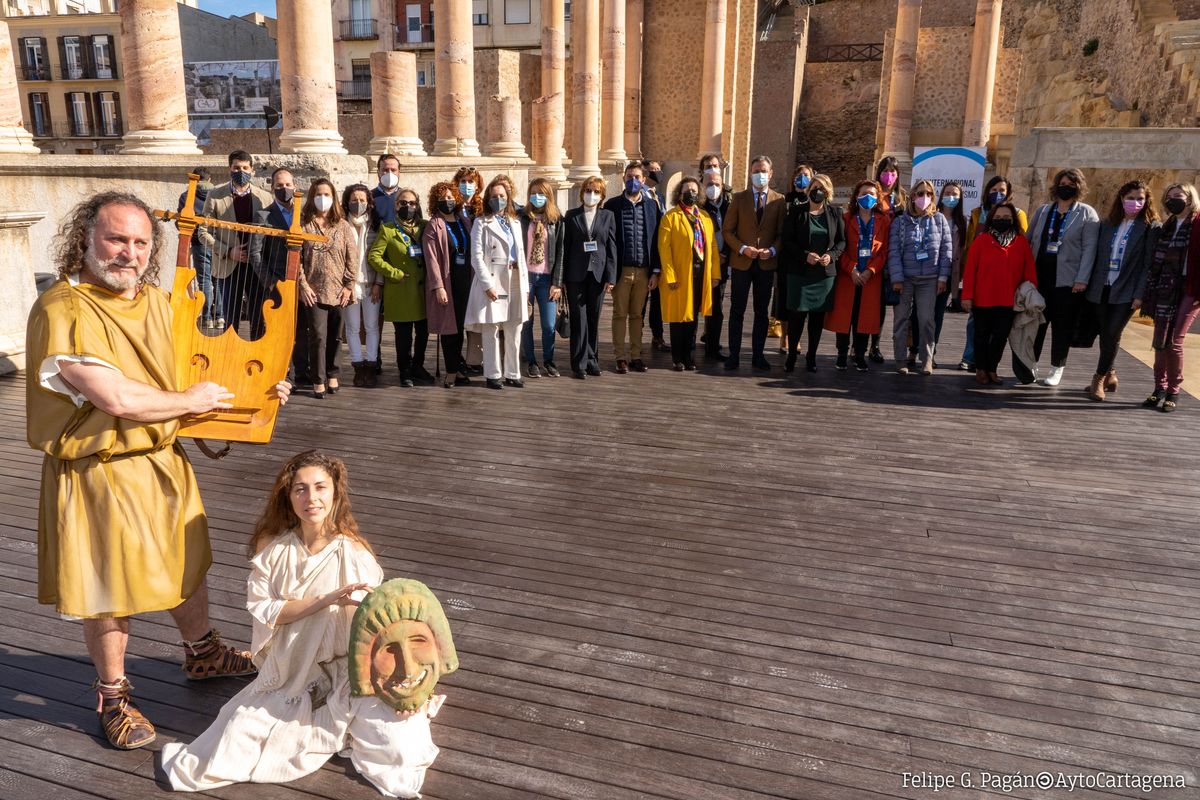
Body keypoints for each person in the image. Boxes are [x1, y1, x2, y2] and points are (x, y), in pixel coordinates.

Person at [26, 192, 289, 751]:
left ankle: (203, 652)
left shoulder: (156, 302)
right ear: (85, 239)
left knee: (183, 564)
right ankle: (113, 694)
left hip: (160, 460)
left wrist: (258, 396)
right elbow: (116, 397)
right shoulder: (62, 309)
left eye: (141, 242)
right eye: (116, 239)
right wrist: (192, 399)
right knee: (107, 588)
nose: (129, 253)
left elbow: (193, 373)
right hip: (97, 470)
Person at [162, 451, 453, 798]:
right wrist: (327, 600)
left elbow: (379, 629)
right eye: (300, 489)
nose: (310, 498)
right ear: (288, 495)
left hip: (351, 674)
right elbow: (267, 610)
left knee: (400, 750)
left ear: (335, 492)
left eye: (319, 487)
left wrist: (402, 680)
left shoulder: (355, 552)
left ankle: (355, 720)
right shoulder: (274, 549)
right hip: (292, 674)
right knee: (234, 738)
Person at [1076, 179, 1160, 401]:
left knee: (1112, 332)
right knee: (1107, 334)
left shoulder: (1150, 228)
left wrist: (1139, 294)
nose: (1135, 202)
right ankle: (1111, 373)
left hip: (1127, 290)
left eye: (1140, 198)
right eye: (1131, 198)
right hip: (1101, 287)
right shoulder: (1108, 224)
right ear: (1122, 199)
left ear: (1147, 201)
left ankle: (1099, 378)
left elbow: (1147, 264)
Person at [1018, 168, 1100, 386]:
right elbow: (1028, 241)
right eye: (1062, 183)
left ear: (1078, 187)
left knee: (1062, 327)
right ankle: (1031, 363)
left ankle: (1056, 367)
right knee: (1037, 324)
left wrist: (1082, 279)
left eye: (1071, 184)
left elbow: (1090, 249)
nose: (1066, 187)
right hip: (1041, 279)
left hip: (1068, 282)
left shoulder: (1086, 213)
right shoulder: (1044, 211)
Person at [464, 175, 531, 389]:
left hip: (515, 278)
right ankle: (492, 374)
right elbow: (476, 256)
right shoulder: (481, 222)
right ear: (488, 198)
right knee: (491, 329)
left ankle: (513, 372)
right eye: (494, 196)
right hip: (493, 279)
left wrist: (526, 286)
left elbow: (521, 255)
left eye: (502, 195)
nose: (498, 199)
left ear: (508, 197)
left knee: (514, 328)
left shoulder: (515, 222)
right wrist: (487, 284)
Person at [198, 150, 273, 337]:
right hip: (228, 265)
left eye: (245, 168)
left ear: (252, 170)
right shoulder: (215, 196)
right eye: (237, 168)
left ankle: (256, 354)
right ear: (229, 169)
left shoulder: (264, 198)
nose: (241, 171)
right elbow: (203, 232)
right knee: (231, 317)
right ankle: (229, 356)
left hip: (257, 267)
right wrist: (228, 251)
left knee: (258, 316)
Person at [961, 202, 1037, 385]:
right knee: (981, 335)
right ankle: (980, 368)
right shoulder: (981, 240)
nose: (1002, 221)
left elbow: (1029, 271)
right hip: (983, 299)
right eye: (997, 218)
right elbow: (970, 270)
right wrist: (966, 296)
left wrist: (1030, 294)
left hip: (1009, 300)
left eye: (1006, 218)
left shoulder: (1021, 242)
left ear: (1013, 220)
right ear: (991, 220)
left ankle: (992, 368)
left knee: (1000, 337)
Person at [723, 155, 786, 371]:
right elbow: (728, 231)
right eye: (755, 171)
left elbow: (781, 233)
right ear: (751, 173)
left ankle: (758, 355)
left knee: (761, 311)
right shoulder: (739, 199)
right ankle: (734, 354)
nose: (759, 174)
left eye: (763, 171)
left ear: (770, 173)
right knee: (737, 310)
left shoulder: (779, 200)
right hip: (742, 262)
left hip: (766, 264)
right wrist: (743, 248)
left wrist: (773, 250)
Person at [1142, 182, 1200, 413]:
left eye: (1179, 195)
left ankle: (1174, 390)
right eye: (1169, 195)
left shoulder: (1197, 224)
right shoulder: (1166, 226)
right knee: (1160, 341)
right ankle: (1159, 387)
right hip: (1165, 289)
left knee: (1175, 340)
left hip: (1190, 289)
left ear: (1190, 197)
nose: (1173, 199)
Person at [779, 173, 846, 373]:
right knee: (797, 314)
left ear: (828, 193)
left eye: (822, 189)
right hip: (800, 272)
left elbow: (842, 241)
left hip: (823, 274)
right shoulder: (797, 211)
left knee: (817, 318)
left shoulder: (835, 214)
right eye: (815, 187)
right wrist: (804, 255)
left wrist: (831, 256)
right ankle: (791, 355)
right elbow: (787, 241)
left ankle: (811, 356)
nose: (818, 191)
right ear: (809, 190)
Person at [298, 178, 357, 399]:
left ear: (334, 198)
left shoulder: (342, 226)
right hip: (314, 290)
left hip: (339, 290)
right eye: (319, 194)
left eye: (327, 195)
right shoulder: (303, 224)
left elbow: (352, 256)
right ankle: (318, 378)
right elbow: (297, 259)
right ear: (313, 197)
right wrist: (303, 285)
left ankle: (333, 373)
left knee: (335, 336)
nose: (323, 199)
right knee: (318, 336)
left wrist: (349, 285)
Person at [888, 179, 954, 375]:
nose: (924, 197)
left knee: (926, 320)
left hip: (930, 279)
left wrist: (943, 277)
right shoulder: (900, 222)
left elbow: (946, 251)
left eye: (928, 194)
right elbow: (893, 252)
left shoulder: (939, 219)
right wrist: (897, 278)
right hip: (905, 279)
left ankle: (926, 359)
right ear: (912, 196)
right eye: (920, 193)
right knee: (900, 319)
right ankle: (900, 360)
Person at [369, 188, 431, 388]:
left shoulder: (424, 226)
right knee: (403, 335)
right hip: (401, 289)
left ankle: (418, 366)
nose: (408, 207)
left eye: (412, 203)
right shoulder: (388, 229)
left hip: (421, 289)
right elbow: (374, 256)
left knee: (423, 332)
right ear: (396, 205)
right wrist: (393, 273)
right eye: (403, 203)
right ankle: (404, 370)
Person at [657, 176, 720, 370]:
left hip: (701, 272)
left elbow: (712, 246)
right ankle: (678, 357)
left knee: (693, 316)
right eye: (687, 191)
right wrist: (670, 275)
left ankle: (688, 356)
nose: (691, 194)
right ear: (680, 194)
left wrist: (715, 274)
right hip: (680, 273)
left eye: (694, 190)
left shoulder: (705, 217)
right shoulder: (671, 216)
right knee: (679, 317)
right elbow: (664, 248)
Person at [604, 161, 662, 373]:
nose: (633, 181)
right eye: (629, 177)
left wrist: (656, 271)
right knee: (620, 314)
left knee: (637, 315)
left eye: (637, 177)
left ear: (644, 180)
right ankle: (620, 357)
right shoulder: (612, 206)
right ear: (623, 179)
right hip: (621, 271)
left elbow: (655, 240)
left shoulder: (651, 206)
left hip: (644, 271)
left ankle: (636, 355)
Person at [826, 179, 889, 371]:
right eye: (863, 194)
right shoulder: (845, 219)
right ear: (856, 196)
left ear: (877, 197)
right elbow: (840, 247)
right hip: (848, 276)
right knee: (846, 316)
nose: (867, 197)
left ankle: (860, 354)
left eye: (871, 194)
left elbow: (884, 251)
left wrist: (870, 271)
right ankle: (842, 354)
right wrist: (852, 269)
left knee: (865, 318)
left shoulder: (884, 221)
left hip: (871, 277)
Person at [562, 176, 618, 379]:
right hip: (575, 275)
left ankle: (593, 360)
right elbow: (565, 248)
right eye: (588, 190)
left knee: (594, 318)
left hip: (598, 274)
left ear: (601, 196)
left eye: (596, 192)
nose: (591, 195)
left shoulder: (608, 216)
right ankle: (579, 363)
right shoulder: (571, 215)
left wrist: (611, 277)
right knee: (579, 319)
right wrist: (562, 278)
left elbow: (611, 247)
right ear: (582, 192)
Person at [423, 181, 473, 387]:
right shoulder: (434, 225)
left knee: (460, 327)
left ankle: (459, 368)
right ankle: (451, 371)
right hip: (447, 283)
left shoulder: (464, 221)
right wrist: (438, 286)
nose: (447, 201)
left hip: (466, 281)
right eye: (443, 198)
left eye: (451, 198)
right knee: (448, 329)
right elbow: (431, 258)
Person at [250, 168, 299, 375]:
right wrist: (269, 281)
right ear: (272, 188)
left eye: (288, 185)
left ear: (294, 186)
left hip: (301, 281)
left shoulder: (302, 214)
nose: (284, 189)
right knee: (276, 329)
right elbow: (255, 252)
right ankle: (279, 370)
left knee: (301, 329)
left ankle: (301, 370)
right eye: (279, 186)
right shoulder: (263, 214)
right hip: (275, 282)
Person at [520, 178, 566, 377]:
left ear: (548, 196)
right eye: (533, 192)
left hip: (547, 279)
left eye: (541, 193)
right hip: (526, 278)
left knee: (548, 325)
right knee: (526, 323)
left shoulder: (556, 220)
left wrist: (557, 282)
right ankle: (531, 362)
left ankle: (549, 360)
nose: (537, 197)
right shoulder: (522, 217)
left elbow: (561, 251)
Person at [773, 163, 817, 355]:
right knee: (784, 298)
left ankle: (796, 336)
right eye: (798, 175)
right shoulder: (785, 200)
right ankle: (785, 336)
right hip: (786, 256)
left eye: (806, 175)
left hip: (805, 257)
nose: (802, 179)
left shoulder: (813, 200)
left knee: (800, 300)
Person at [342, 184, 382, 388]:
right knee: (352, 327)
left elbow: (381, 255)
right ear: (347, 201)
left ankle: (372, 365)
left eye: (362, 200)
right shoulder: (340, 225)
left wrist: (378, 283)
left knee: (372, 326)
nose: (358, 204)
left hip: (371, 283)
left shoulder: (376, 225)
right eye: (354, 200)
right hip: (349, 284)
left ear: (369, 202)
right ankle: (358, 366)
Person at [868, 156, 908, 363]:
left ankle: (878, 345)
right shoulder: (872, 194)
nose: (889, 175)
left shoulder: (902, 198)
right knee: (871, 303)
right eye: (886, 170)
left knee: (887, 303)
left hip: (895, 258)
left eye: (893, 171)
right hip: (874, 254)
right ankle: (864, 345)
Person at [176, 168, 221, 330]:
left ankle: (207, 317)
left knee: (204, 280)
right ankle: (220, 316)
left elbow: (181, 221)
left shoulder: (186, 196)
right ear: (210, 178)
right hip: (218, 241)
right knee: (218, 278)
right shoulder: (218, 194)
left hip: (198, 241)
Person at [453, 166, 486, 374]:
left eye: (471, 182)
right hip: (459, 270)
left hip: (478, 270)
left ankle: (475, 359)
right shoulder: (452, 207)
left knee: (476, 317)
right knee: (458, 318)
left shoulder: (481, 208)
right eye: (463, 181)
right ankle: (456, 359)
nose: (467, 185)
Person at [701, 169, 731, 361]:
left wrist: (725, 255)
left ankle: (713, 347)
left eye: (717, 184)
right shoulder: (699, 207)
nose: (713, 188)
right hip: (701, 264)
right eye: (709, 184)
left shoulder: (730, 206)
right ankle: (688, 345)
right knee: (695, 305)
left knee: (716, 307)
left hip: (721, 264)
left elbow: (735, 230)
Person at [641, 158, 669, 353]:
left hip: (658, 256)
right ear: (645, 173)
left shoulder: (658, 195)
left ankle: (657, 335)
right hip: (644, 255)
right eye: (654, 169)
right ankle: (637, 337)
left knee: (657, 301)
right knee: (640, 301)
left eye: (659, 169)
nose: (658, 172)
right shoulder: (640, 195)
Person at [372, 153, 402, 227]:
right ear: (378, 172)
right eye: (385, 170)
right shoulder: (368, 197)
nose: (389, 173)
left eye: (393, 170)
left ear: (399, 172)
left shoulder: (408, 197)